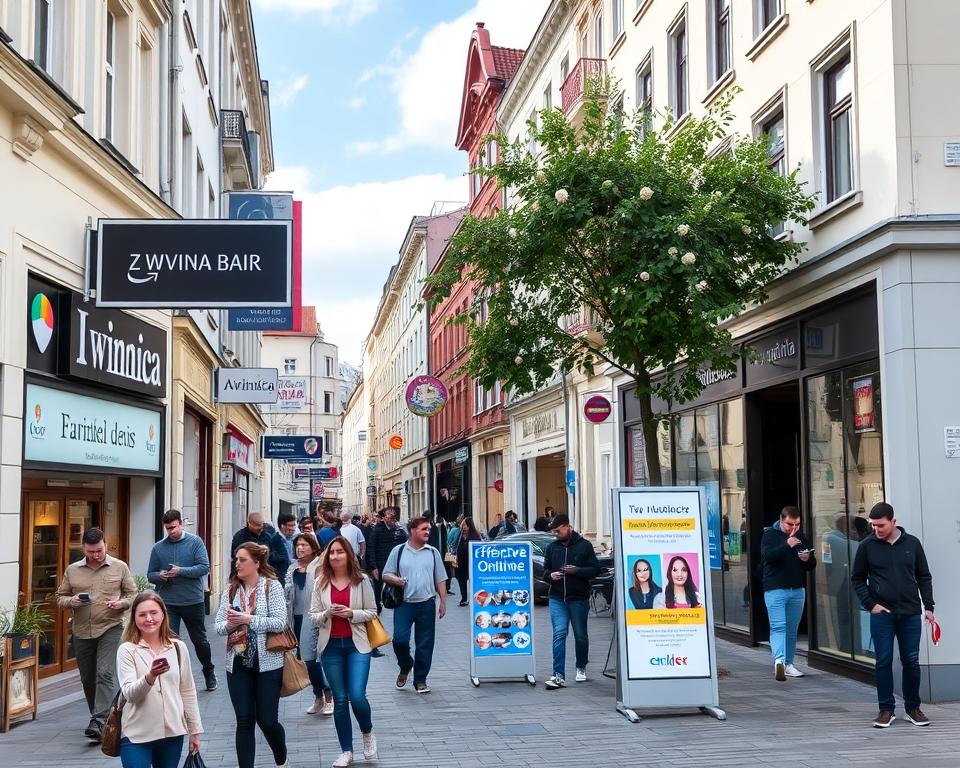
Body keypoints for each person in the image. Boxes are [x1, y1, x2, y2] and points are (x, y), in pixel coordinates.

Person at [851, 502, 936, 728]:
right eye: (873, 526)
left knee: (911, 661)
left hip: (909, 613)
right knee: (883, 661)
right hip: (882, 614)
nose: (876, 530)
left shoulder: (913, 544)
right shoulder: (867, 546)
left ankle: (913, 708)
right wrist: (871, 604)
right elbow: (857, 578)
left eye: (881, 525)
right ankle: (886, 710)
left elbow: (924, 576)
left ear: (893, 521)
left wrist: (929, 607)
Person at [55, 527, 137, 742]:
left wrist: (122, 603)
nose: (96, 555)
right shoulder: (72, 570)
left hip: (110, 626)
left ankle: (99, 720)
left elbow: (132, 593)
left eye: (99, 550)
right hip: (81, 631)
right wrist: (71, 601)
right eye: (91, 552)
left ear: (105, 545)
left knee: (105, 673)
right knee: (88, 678)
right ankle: (103, 719)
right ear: (84, 548)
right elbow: (60, 597)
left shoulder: (119, 567)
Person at [215, 543, 290, 768]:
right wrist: (230, 623)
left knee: (267, 721)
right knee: (244, 720)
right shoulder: (230, 590)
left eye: (242, 559)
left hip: (268, 664)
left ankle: (281, 758)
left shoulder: (272, 587)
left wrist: (248, 620)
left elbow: (279, 623)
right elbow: (218, 627)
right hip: (237, 664)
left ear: (256, 563)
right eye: (236, 560)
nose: (237, 564)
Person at [310, 537, 379, 767]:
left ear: (349, 554)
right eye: (332, 553)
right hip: (330, 648)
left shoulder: (362, 581)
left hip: (357, 645)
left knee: (357, 696)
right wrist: (328, 613)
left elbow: (372, 611)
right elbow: (314, 616)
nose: (336, 556)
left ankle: (367, 733)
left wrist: (351, 613)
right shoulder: (320, 582)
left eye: (340, 552)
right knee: (340, 700)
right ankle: (346, 751)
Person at [116, 591, 203, 767]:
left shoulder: (178, 647)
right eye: (142, 614)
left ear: (163, 614)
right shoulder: (127, 650)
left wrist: (195, 730)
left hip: (172, 734)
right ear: (134, 619)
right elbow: (129, 694)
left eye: (153, 612)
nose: (149, 619)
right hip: (136, 735)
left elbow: (187, 691)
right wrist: (150, 677)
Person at [147, 509, 217, 691]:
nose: (171, 532)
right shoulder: (158, 548)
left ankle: (208, 670)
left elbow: (204, 568)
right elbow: (150, 574)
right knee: (170, 641)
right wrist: (160, 575)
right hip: (168, 602)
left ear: (181, 523)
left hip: (193, 600)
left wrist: (180, 571)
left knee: (199, 640)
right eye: (168, 528)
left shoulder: (195, 542)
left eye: (174, 527)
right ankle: (174, 677)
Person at [382, 516, 448, 693]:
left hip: (427, 603)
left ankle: (420, 679)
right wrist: (397, 580)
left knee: (425, 643)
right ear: (413, 531)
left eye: (428, 529)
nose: (427, 532)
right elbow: (385, 574)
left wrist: (443, 602)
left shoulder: (432, 552)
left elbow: (440, 578)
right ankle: (406, 665)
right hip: (405, 604)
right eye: (424, 529)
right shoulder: (399, 550)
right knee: (400, 640)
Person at [542, 514, 600, 690]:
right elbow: (545, 571)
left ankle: (581, 665)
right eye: (553, 532)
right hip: (557, 598)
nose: (555, 534)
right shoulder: (552, 548)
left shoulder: (585, 546)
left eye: (558, 531)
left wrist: (577, 571)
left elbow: (595, 569)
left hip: (578, 598)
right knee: (559, 634)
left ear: (568, 527)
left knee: (580, 635)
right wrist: (551, 576)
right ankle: (558, 674)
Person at [761, 506, 816, 681]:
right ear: (781, 519)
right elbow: (768, 556)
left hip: (797, 589)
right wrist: (787, 544)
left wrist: (808, 559)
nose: (793, 529)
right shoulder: (770, 534)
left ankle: (788, 664)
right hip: (775, 588)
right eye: (789, 524)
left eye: (797, 524)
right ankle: (779, 661)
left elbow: (810, 565)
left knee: (792, 630)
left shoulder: (801, 536)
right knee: (778, 626)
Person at [284, 532, 333, 716]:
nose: (300, 548)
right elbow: (287, 594)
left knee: (314, 660)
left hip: (313, 619)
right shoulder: (292, 568)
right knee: (306, 661)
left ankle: (328, 695)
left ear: (313, 547)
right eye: (297, 545)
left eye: (304, 545)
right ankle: (318, 696)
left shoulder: (320, 566)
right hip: (295, 618)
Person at [230, 513, 290, 585]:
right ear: (249, 523)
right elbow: (236, 558)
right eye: (258, 525)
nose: (261, 527)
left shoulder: (269, 535)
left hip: (267, 576)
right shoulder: (240, 538)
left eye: (262, 524)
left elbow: (281, 557)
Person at [368, 507, 408, 614]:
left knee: (396, 583)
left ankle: (397, 601)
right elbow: (371, 548)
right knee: (378, 587)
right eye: (389, 516)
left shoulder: (399, 530)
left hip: (395, 564)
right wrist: (373, 566)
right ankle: (377, 606)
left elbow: (407, 543)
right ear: (384, 518)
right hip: (380, 563)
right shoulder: (377, 530)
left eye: (393, 516)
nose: (392, 519)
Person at [455, 517, 483, 606]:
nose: (463, 527)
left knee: (473, 582)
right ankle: (464, 599)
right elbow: (457, 546)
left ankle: (476, 598)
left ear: (469, 526)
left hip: (471, 563)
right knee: (461, 581)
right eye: (463, 525)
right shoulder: (461, 535)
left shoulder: (475, 536)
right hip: (461, 563)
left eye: (465, 525)